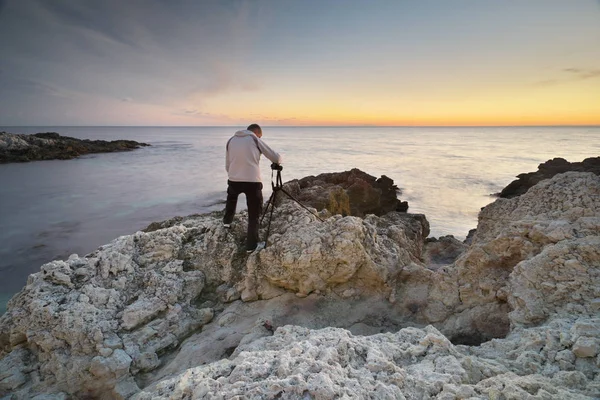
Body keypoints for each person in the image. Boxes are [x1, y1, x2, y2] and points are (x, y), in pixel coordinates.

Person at [223, 124, 282, 252]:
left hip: (234, 179)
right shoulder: (254, 139)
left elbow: (228, 164)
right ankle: (251, 246)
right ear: (256, 133)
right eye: (260, 136)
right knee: (254, 215)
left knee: (231, 200)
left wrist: (234, 174)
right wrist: (279, 160)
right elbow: (275, 157)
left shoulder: (231, 140)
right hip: (252, 181)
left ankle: (227, 223)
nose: (260, 138)